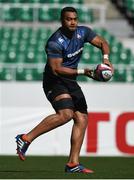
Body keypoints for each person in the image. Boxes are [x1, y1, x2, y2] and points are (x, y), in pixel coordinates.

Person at [15, 6, 113, 173]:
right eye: (69, 19)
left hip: (70, 81)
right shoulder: (55, 41)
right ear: (62, 21)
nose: (73, 22)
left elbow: (102, 42)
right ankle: (25, 138)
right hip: (54, 81)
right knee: (66, 114)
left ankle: (73, 164)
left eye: (75, 19)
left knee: (82, 118)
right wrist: (85, 72)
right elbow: (56, 69)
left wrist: (106, 59)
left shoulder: (83, 32)